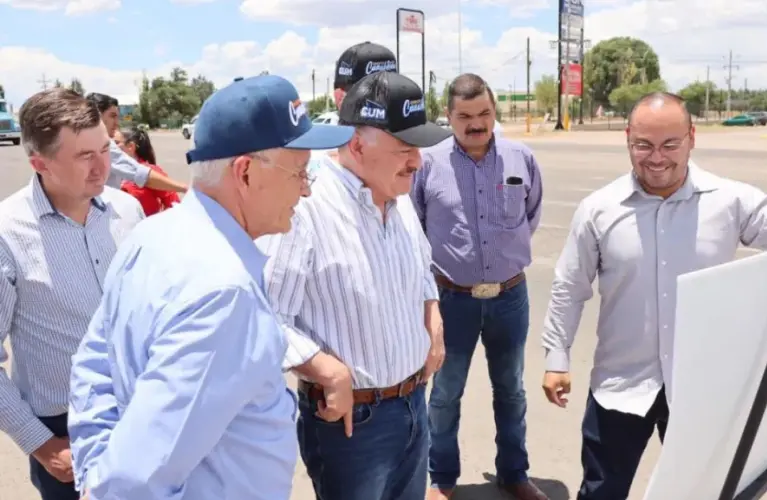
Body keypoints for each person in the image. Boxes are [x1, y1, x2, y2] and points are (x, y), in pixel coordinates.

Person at [540, 92, 767, 500]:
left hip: (699, 387)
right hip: (620, 383)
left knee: (701, 492)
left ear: (691, 137)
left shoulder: (728, 200)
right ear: (627, 139)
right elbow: (569, 286)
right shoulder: (598, 209)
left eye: (670, 144)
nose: (656, 158)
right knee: (602, 491)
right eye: (643, 145)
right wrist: (557, 358)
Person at [67, 75, 355, 499]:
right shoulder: (224, 293)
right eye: (300, 172)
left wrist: (95, 472)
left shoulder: (154, 235)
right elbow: (135, 481)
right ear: (245, 172)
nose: (307, 190)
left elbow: (93, 369)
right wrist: (105, 486)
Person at [256, 71, 451, 500]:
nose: (417, 162)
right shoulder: (305, 207)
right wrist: (324, 368)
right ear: (358, 145)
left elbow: (421, 269)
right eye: (404, 149)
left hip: (413, 405)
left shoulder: (398, 198)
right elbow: (264, 316)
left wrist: (431, 315)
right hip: (352, 426)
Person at [0, 88, 144, 500]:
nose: (103, 167)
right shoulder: (7, 235)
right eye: (84, 156)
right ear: (39, 164)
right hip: (65, 434)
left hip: (142, 413)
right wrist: (41, 446)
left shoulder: (127, 212)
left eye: (104, 149)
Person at [412, 73, 547, 500]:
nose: (476, 123)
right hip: (451, 299)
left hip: (510, 296)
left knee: (511, 389)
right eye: (465, 116)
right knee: (446, 393)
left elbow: (532, 214)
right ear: (448, 117)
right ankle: (442, 480)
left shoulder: (520, 157)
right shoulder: (428, 163)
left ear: (495, 112)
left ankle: (514, 473)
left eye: (484, 113)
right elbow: (414, 231)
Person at [85, 92, 187, 194]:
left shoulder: (79, 140)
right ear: (96, 115)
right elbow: (140, 174)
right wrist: (184, 188)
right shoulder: (102, 144)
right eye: (112, 116)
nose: (117, 123)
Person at [312, 41, 398, 159]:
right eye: (370, 99)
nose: (384, 105)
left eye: (391, 94)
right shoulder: (317, 161)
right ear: (340, 98)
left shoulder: (413, 152)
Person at [114, 127, 181, 216]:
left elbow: (173, 202)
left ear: (131, 146)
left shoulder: (150, 172)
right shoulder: (112, 170)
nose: (111, 146)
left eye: (116, 143)